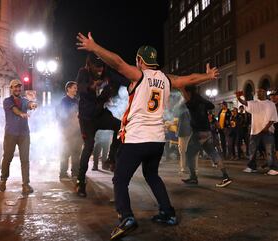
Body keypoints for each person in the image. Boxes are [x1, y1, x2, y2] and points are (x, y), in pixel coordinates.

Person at [76, 32, 219, 240]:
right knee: (152, 175)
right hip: (157, 140)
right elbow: (188, 79)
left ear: (141, 61)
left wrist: (95, 47)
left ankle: (126, 217)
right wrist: (208, 76)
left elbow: (116, 62)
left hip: (137, 139)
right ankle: (167, 213)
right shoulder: (166, 79)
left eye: (137, 61)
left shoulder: (139, 75)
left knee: (120, 179)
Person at [75, 53, 129, 197]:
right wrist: (93, 86)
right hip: (87, 118)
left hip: (100, 114)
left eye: (102, 67)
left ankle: (110, 158)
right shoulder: (83, 72)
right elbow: (81, 88)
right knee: (89, 146)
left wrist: (136, 81)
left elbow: (123, 79)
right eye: (97, 67)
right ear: (89, 65)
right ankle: (80, 182)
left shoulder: (105, 72)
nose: (100, 70)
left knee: (120, 126)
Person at [180, 85, 232, 188]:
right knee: (213, 153)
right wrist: (201, 99)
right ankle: (226, 176)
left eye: (185, 93)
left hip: (198, 133)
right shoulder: (200, 101)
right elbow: (211, 106)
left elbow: (185, 98)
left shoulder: (191, 103)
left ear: (189, 93)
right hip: (207, 132)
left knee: (189, 154)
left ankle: (193, 178)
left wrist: (181, 88)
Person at [0, 79, 37, 195]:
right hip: (11, 134)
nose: (17, 89)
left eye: (19, 87)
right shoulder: (7, 101)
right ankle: (3, 179)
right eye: (15, 87)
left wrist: (33, 104)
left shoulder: (24, 100)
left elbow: (29, 104)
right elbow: (14, 109)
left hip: (24, 134)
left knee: (25, 160)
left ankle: (25, 185)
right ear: (11, 88)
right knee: (7, 158)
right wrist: (21, 113)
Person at [236, 89, 278, 175]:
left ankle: (274, 168)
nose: (259, 93)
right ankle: (252, 167)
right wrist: (238, 97)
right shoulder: (254, 103)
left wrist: (266, 127)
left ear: (265, 93)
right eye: (257, 92)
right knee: (253, 150)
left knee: (269, 150)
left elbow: (273, 118)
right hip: (255, 130)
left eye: (261, 92)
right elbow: (245, 103)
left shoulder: (271, 104)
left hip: (268, 131)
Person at [56, 81, 82, 180]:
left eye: (76, 88)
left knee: (76, 153)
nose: (76, 89)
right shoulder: (64, 101)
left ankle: (75, 173)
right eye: (74, 88)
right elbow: (62, 116)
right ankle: (63, 174)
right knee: (65, 152)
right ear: (68, 89)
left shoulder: (77, 101)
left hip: (77, 131)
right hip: (67, 132)